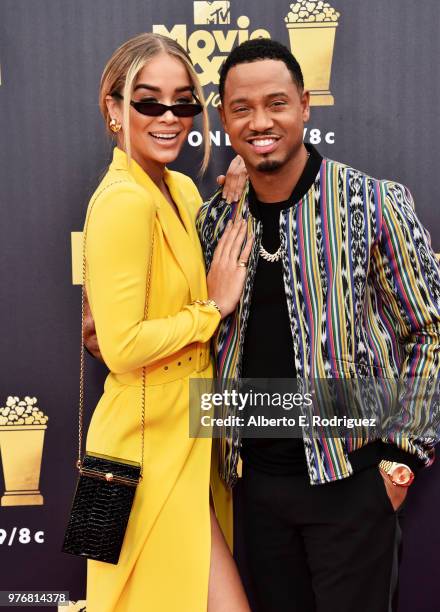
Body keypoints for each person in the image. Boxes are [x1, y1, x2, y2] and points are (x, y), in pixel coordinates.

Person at [195, 38, 440, 612]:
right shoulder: (213, 222)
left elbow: (429, 332)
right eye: (241, 108)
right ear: (224, 119)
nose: (261, 121)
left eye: (277, 103)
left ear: (305, 105)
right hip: (252, 489)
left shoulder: (373, 203)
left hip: (353, 484)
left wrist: (400, 459)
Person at [82, 32, 252, 612]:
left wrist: (233, 196)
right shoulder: (122, 201)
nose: (170, 117)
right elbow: (124, 346)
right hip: (144, 443)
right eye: (148, 101)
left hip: (188, 427)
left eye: (183, 103)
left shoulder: (178, 188)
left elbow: (182, 261)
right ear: (113, 108)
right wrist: (211, 310)